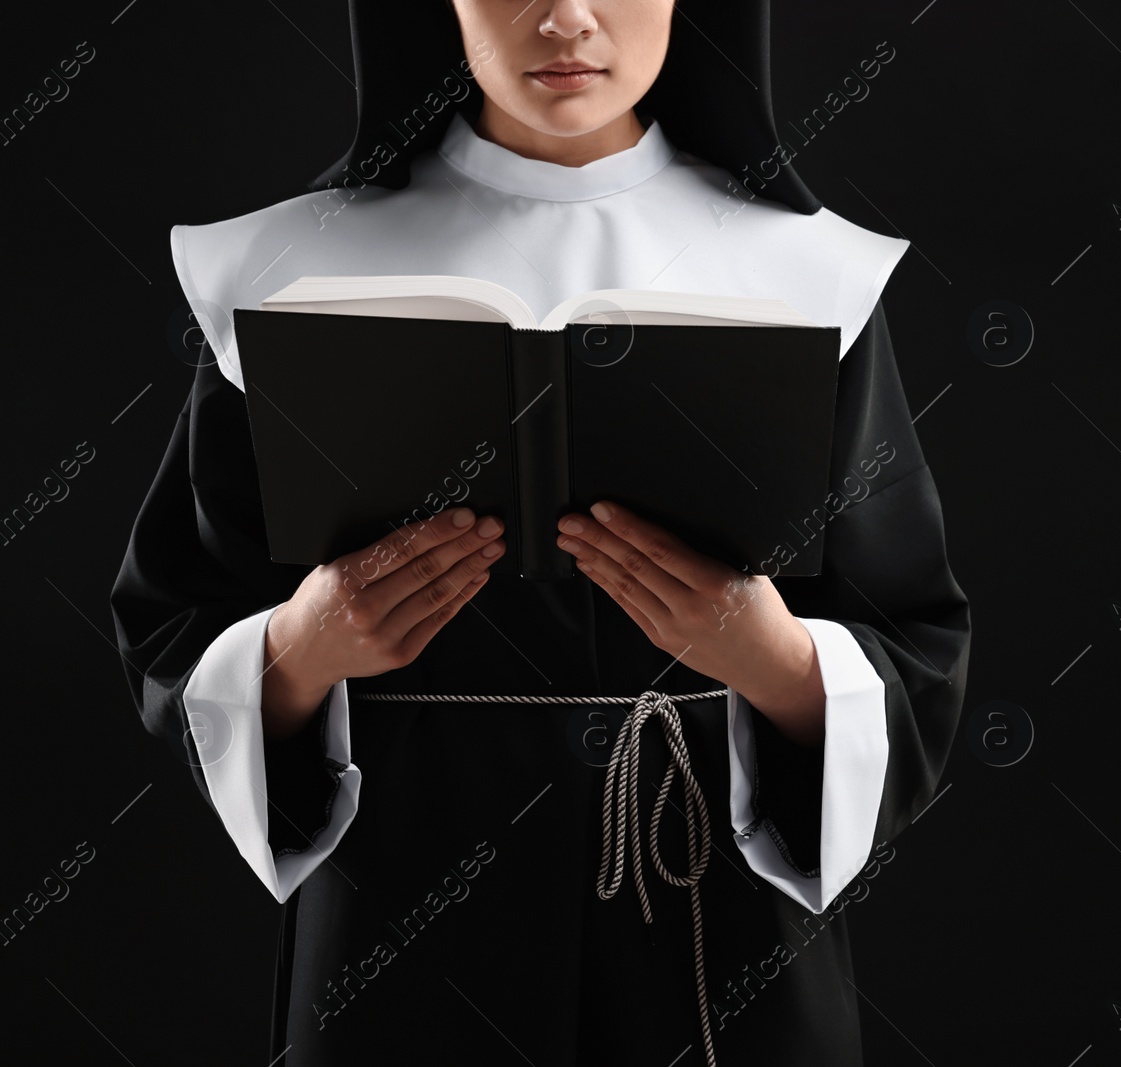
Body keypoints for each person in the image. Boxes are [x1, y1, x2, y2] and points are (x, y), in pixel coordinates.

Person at [110, 1, 971, 1063]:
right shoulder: (286, 268)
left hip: (706, 901)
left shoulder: (806, 273)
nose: (567, 19)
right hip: (407, 896)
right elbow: (172, 617)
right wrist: (300, 650)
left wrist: (780, 660)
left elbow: (915, 633)